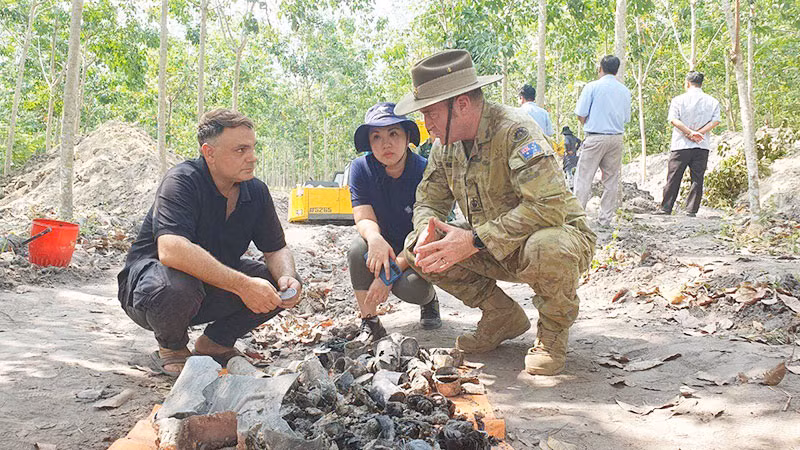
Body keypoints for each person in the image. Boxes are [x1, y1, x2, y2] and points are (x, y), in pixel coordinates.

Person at [394, 49, 596, 376]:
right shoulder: (444, 147)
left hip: (557, 239)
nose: (426, 123)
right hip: (492, 245)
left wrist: (474, 240)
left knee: (547, 246)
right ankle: (501, 315)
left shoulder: (515, 131)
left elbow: (548, 207)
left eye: (430, 112)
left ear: (460, 104)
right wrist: (425, 231)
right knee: (418, 247)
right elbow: (428, 201)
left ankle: (553, 331)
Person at [117, 109, 303, 377]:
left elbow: (275, 248)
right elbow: (171, 250)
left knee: (280, 281)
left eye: (252, 147)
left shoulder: (256, 191)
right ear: (209, 153)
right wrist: (244, 285)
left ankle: (215, 343)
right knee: (178, 286)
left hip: (208, 287)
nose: (253, 157)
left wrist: (287, 278)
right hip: (151, 293)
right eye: (240, 150)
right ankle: (172, 346)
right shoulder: (181, 181)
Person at [347, 102, 441, 343]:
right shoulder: (359, 169)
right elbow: (363, 215)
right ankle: (369, 321)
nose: (385, 143)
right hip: (382, 245)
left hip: (417, 247)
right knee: (358, 249)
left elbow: (429, 231)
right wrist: (375, 239)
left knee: (413, 289)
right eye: (376, 137)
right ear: (368, 143)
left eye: (393, 134)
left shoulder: (425, 170)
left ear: (408, 136)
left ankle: (430, 301)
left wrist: (387, 277)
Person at [573, 55, 632, 228]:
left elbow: (581, 113)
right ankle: (605, 219)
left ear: (600, 68)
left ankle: (577, 217)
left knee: (584, 177)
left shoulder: (592, 87)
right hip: (616, 138)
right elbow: (626, 118)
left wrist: (588, 122)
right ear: (617, 69)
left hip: (595, 136)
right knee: (611, 179)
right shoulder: (624, 90)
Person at [656, 71, 721, 217]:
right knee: (697, 178)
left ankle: (666, 208)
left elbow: (674, 120)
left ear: (687, 83)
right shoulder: (712, 101)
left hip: (681, 144)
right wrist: (700, 133)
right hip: (701, 144)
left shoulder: (678, 100)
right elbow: (715, 121)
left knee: (674, 176)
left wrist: (689, 132)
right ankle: (691, 210)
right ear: (701, 83)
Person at [562, 126, 581, 191]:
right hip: (574, 156)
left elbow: (566, 143)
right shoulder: (573, 137)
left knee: (569, 171)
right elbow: (580, 142)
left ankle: (571, 187)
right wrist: (576, 149)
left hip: (568, 157)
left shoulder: (567, 137)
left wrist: (568, 150)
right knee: (575, 171)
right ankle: (576, 185)